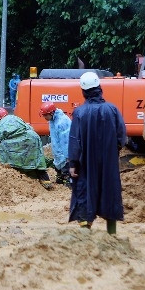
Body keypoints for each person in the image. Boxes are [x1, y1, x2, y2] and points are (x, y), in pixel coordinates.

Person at [68, 71, 126, 234]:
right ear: (100, 88)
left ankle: (85, 236)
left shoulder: (80, 112)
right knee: (110, 193)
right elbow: (122, 137)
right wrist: (112, 152)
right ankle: (112, 236)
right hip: (109, 163)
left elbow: (75, 140)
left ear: (83, 91)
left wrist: (73, 163)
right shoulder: (112, 110)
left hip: (86, 164)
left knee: (85, 193)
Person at [0, 108, 52, 189]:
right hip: (34, 137)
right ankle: (46, 181)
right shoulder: (15, 117)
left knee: (3, 145)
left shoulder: (2, 123)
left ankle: (14, 171)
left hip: (22, 140)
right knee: (36, 159)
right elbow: (28, 127)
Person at [40, 102, 71, 185]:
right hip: (58, 154)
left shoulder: (62, 122)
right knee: (59, 176)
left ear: (51, 113)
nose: (44, 117)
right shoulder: (52, 121)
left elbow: (66, 142)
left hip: (65, 156)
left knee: (66, 175)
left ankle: (68, 183)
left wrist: (68, 156)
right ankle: (61, 176)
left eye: (45, 115)